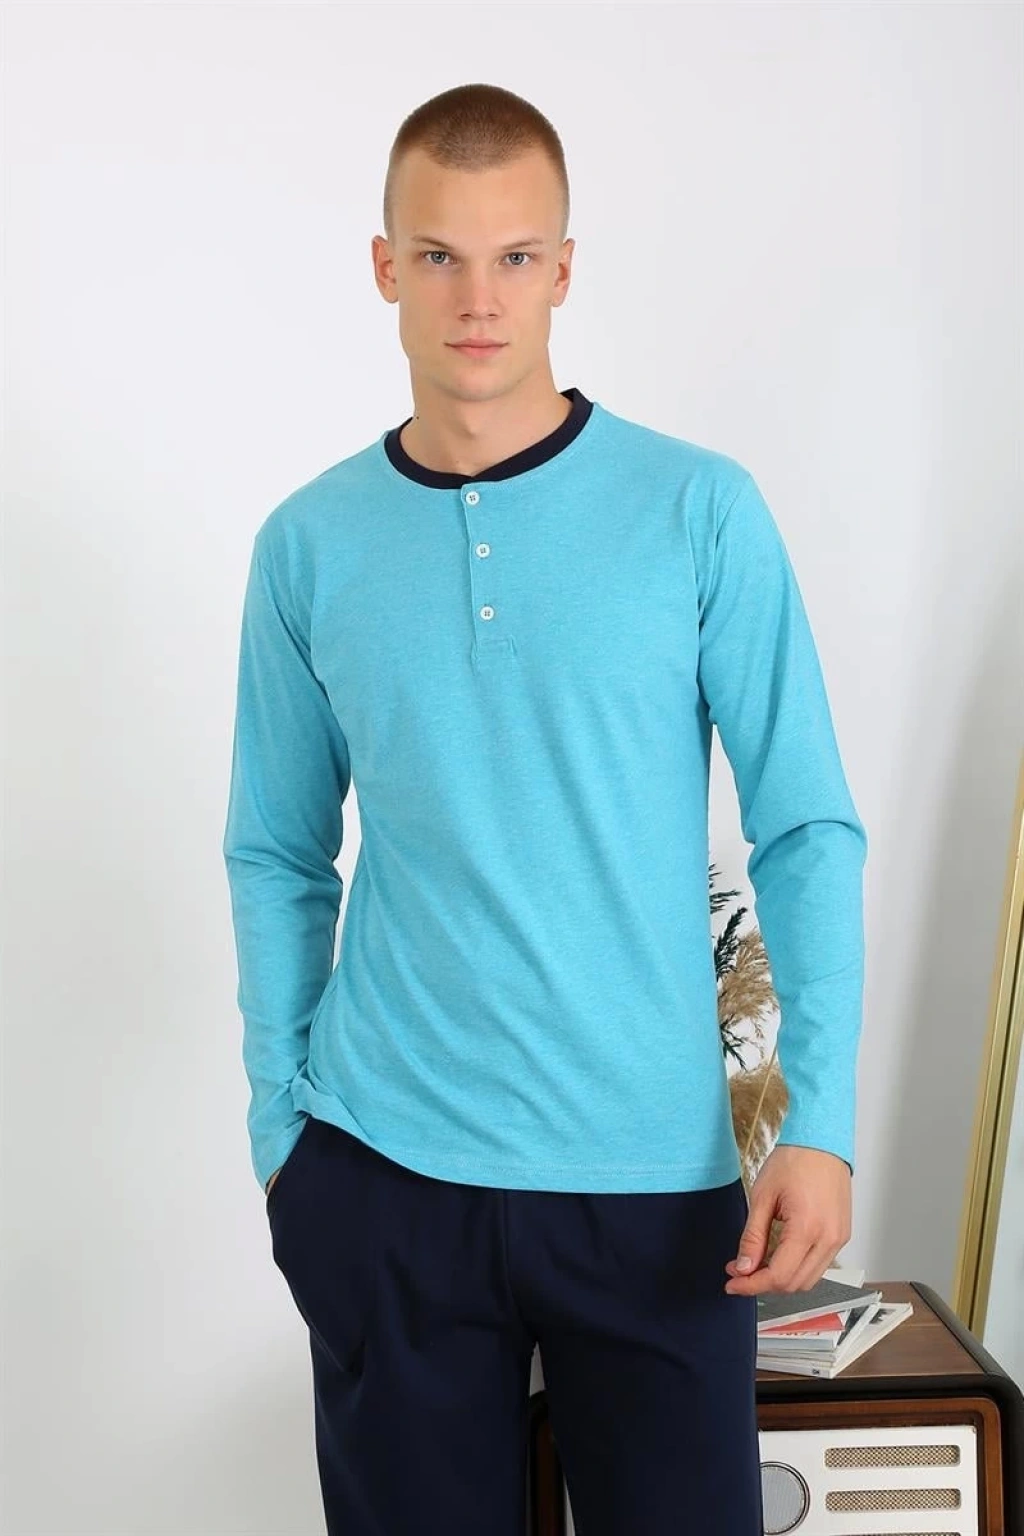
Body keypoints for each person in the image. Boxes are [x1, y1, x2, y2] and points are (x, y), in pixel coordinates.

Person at [222, 81, 866, 1536]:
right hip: (385, 1176)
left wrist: (818, 1119)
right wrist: (284, 1135)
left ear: (565, 269)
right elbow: (276, 850)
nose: (478, 299)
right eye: (440, 256)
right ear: (384, 266)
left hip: (650, 1185)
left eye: (515, 256)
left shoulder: (698, 510)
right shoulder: (307, 546)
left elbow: (807, 825)